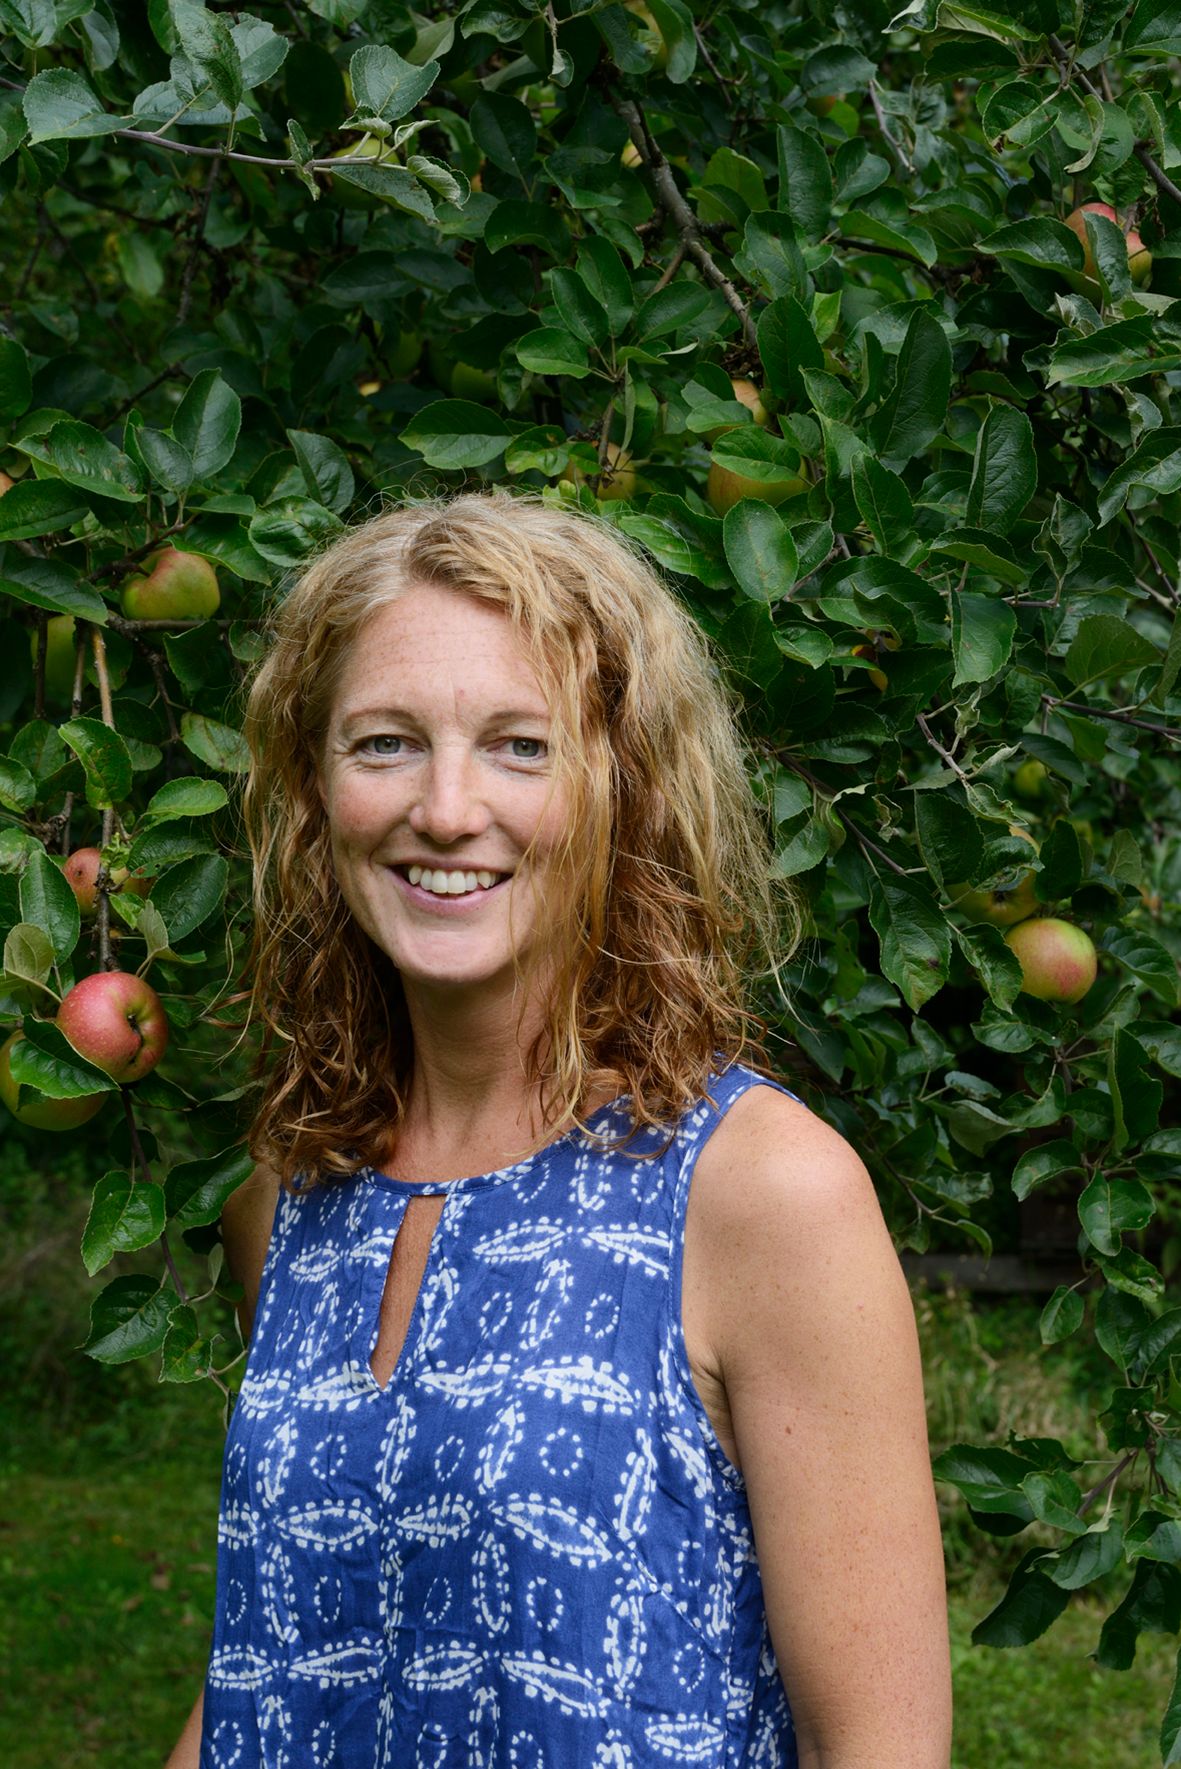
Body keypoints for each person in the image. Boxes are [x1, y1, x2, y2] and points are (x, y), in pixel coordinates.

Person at [167, 491, 951, 1768]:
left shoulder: (760, 1193)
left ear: (621, 787)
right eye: (384, 743)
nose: (445, 806)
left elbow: (877, 1745)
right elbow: (286, 1643)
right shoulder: (290, 1188)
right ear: (314, 785)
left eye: (520, 745)